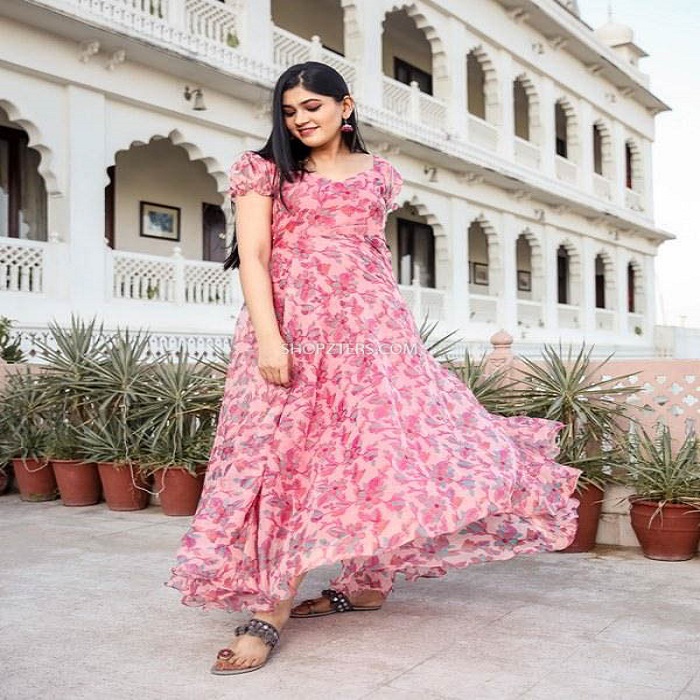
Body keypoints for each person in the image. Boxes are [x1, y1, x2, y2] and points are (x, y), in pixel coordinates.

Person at [167, 61, 581, 675]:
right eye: (289, 110)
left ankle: (366, 582)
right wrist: (269, 338)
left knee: (382, 451)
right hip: (292, 332)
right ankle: (269, 606)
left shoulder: (380, 177)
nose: (301, 119)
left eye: (312, 106)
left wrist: (398, 341)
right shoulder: (264, 171)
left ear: (346, 106)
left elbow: (374, 258)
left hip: (371, 332)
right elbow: (253, 256)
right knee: (286, 458)